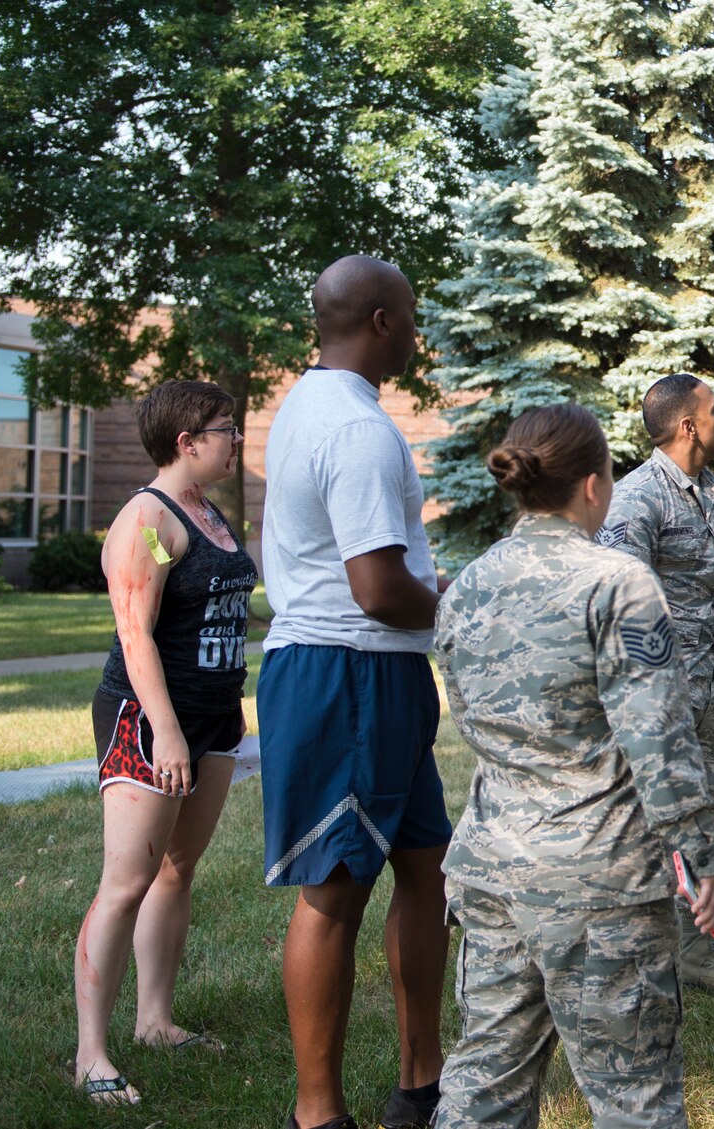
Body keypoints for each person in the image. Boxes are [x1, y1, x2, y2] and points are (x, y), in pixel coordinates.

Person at [436, 403, 714, 1129]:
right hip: (603, 880)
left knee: (484, 1078)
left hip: (492, 866)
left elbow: (475, 720)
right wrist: (700, 853)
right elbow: (660, 739)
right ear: (595, 485)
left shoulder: (466, 584)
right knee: (634, 1096)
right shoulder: (617, 583)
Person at [259, 256, 451, 1129]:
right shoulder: (358, 430)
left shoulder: (309, 403)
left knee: (426, 868)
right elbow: (378, 585)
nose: (417, 331)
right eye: (410, 316)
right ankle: (317, 1114)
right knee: (334, 889)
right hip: (348, 670)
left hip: (380, 673)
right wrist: (458, 613)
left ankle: (422, 1084)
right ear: (379, 321)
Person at [72, 380, 257, 1105]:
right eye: (225, 429)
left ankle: (155, 1020)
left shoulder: (209, 514)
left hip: (214, 719)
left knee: (177, 870)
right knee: (126, 881)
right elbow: (133, 633)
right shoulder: (146, 518)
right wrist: (167, 733)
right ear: (187, 441)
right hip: (150, 720)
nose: (235, 439)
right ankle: (91, 1054)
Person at [600, 374, 714, 998]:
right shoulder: (637, 501)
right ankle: (631, 958)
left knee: (708, 818)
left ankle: (697, 953)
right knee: (645, 824)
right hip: (657, 704)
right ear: (688, 425)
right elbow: (619, 608)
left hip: (711, 697)